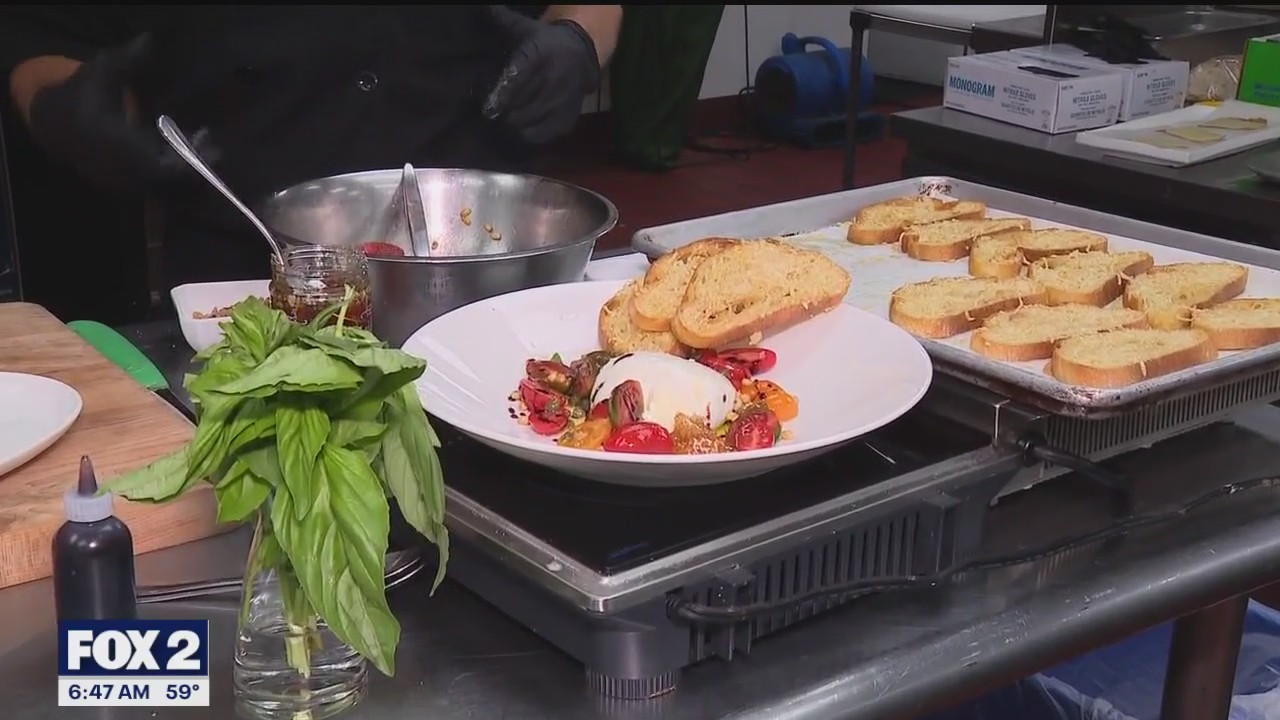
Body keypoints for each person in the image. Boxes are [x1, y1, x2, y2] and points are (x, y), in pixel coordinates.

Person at [2, 6, 623, 287]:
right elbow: (41, 37)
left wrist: (577, 42)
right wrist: (68, 109)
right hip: (244, 270)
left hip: (486, 255)